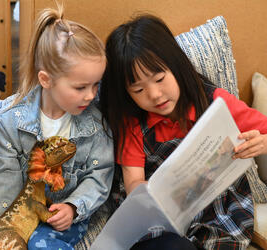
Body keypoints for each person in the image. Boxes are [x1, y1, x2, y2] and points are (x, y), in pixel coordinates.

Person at [99, 14, 267, 250]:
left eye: (159, 79)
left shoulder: (214, 101)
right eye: (138, 89)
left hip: (216, 208)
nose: (155, 95)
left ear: (176, 66)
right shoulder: (132, 122)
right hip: (160, 216)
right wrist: (153, 194)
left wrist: (262, 143)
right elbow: (134, 184)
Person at [0, 5, 114, 250]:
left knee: (43, 246)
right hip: (13, 206)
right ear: (46, 79)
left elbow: (99, 177)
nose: (90, 96)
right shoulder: (10, 121)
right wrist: (7, 227)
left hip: (61, 213)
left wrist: (73, 207)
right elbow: (5, 179)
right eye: (80, 87)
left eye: (95, 85)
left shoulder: (96, 126)